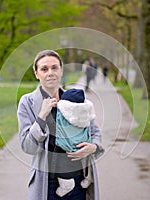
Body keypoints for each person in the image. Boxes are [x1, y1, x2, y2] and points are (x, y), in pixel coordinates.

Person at [17, 50, 104, 200]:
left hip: (78, 182)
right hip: (47, 184)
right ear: (36, 73)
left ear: (61, 71)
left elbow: (94, 131)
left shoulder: (75, 99)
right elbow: (27, 146)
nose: (50, 73)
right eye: (44, 69)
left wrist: (94, 146)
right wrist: (41, 117)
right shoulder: (27, 103)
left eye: (54, 68)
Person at [55, 88, 95, 197]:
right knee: (85, 161)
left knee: (62, 161)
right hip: (83, 142)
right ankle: (88, 177)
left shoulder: (61, 112)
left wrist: (95, 146)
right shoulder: (85, 113)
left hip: (66, 147)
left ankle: (66, 184)